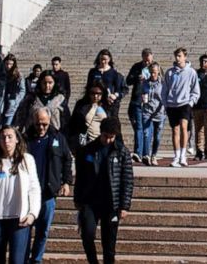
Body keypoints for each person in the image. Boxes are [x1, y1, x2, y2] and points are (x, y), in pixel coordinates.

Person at [72, 117, 132, 264]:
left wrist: (124, 206)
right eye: (106, 136)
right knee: (87, 234)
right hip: (90, 201)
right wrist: (78, 199)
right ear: (101, 133)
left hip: (112, 203)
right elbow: (80, 177)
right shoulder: (88, 150)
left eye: (112, 137)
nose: (108, 140)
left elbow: (127, 180)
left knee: (109, 244)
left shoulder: (122, 152)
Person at [0, 125, 41, 264]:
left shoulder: (27, 160)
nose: (6, 140)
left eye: (10, 137)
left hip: (19, 218)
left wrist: (32, 213)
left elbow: (34, 188)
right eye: (3, 137)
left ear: (17, 140)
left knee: (17, 260)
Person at [24, 108, 74, 264]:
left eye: (44, 124)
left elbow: (67, 159)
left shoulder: (57, 138)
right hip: (27, 194)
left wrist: (66, 181)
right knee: (25, 230)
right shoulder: (25, 139)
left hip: (48, 192)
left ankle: (36, 259)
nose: (41, 128)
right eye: (38, 124)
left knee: (43, 230)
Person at [161, 47, 199, 167]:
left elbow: (195, 89)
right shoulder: (170, 72)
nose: (178, 59)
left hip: (185, 104)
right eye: (176, 56)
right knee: (175, 130)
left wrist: (191, 102)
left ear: (185, 57)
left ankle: (183, 155)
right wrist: (165, 104)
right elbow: (164, 89)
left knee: (184, 127)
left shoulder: (191, 72)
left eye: (180, 56)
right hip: (172, 104)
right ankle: (176, 155)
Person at [123, 48, 155, 152]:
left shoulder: (156, 67)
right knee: (138, 127)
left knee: (146, 128)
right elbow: (128, 81)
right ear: (142, 58)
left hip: (150, 101)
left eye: (148, 60)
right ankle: (138, 151)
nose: (147, 62)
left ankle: (145, 150)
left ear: (152, 57)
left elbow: (161, 81)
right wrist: (137, 77)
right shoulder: (136, 67)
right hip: (137, 99)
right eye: (145, 60)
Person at [135, 63, 165, 165]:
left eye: (155, 72)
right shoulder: (145, 83)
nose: (153, 74)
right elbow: (143, 94)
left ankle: (154, 155)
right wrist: (143, 99)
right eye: (151, 72)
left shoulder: (163, 83)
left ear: (159, 72)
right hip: (147, 111)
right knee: (146, 133)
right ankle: (146, 155)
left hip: (159, 112)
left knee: (157, 137)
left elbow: (165, 98)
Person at [85, 49, 125, 116]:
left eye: (105, 59)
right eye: (101, 59)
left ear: (109, 59)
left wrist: (115, 95)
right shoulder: (93, 72)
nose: (103, 61)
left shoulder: (114, 73)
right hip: (95, 101)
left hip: (108, 102)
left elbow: (118, 88)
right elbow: (88, 86)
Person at [0, 55, 26, 131]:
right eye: (7, 64)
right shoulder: (1, 73)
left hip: (12, 102)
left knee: (7, 126)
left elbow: (22, 90)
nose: (8, 66)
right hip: (1, 101)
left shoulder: (18, 75)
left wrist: (16, 101)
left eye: (10, 64)